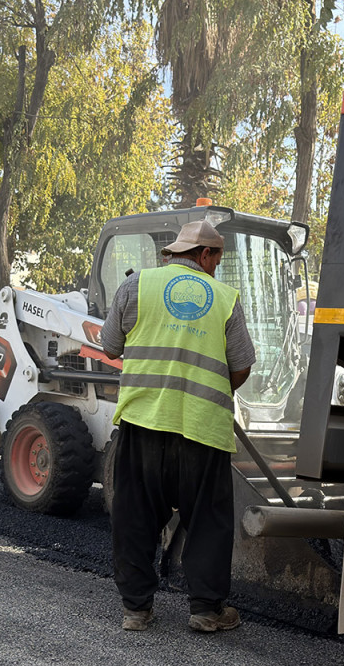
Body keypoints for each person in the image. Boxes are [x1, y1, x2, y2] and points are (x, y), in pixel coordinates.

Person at [100, 219, 254, 633]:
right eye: (217, 258)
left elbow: (110, 346)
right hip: (203, 430)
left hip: (143, 422)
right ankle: (206, 611)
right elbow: (241, 366)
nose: (217, 266)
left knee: (135, 516)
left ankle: (136, 609)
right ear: (204, 254)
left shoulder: (136, 285)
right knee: (207, 521)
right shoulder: (225, 299)